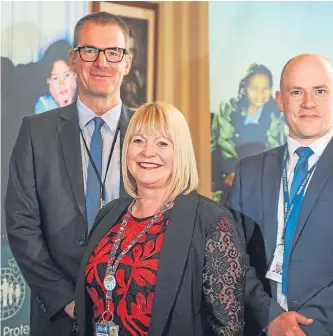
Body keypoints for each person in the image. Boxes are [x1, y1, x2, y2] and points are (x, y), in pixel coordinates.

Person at [227, 54, 333, 335]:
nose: (308, 102)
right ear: (280, 100)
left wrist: (305, 327)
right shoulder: (249, 171)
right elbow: (231, 257)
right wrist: (271, 317)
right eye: (297, 92)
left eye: (320, 91)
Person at [5, 11, 134, 336]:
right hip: (59, 318)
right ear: (74, 60)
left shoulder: (151, 133)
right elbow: (21, 225)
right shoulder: (36, 132)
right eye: (90, 51)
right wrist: (66, 299)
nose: (101, 62)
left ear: (127, 63)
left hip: (136, 312)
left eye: (112, 52)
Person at [74, 102, 246, 335]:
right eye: (138, 140)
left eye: (162, 143)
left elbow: (227, 327)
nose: (147, 152)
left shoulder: (212, 221)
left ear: (180, 153)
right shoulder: (110, 214)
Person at [211, 64, 287, 204]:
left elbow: (274, 146)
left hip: (262, 173)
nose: (260, 93)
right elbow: (224, 142)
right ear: (244, 88)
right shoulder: (229, 108)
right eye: (254, 88)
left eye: (265, 88)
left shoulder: (276, 114)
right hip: (231, 168)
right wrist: (231, 172)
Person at [34, 40, 78, 114]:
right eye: (55, 78)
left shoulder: (87, 101)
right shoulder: (44, 106)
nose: (62, 83)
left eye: (67, 75)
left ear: (75, 75)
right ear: (49, 81)